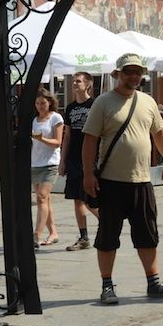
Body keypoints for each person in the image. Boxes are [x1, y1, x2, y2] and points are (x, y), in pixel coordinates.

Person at [83, 53, 163, 305]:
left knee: (147, 234)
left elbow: (160, 134)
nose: (134, 76)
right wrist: (87, 174)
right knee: (107, 236)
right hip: (111, 182)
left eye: (138, 72)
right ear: (118, 74)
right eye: (129, 71)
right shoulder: (103, 103)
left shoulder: (148, 102)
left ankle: (154, 283)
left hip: (142, 181)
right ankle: (107, 285)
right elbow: (90, 140)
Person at [60, 72, 97, 252]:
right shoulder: (70, 108)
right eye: (74, 81)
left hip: (91, 158)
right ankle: (83, 237)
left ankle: (108, 226)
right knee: (77, 199)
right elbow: (67, 136)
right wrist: (62, 160)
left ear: (88, 85)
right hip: (74, 159)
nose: (74, 83)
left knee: (90, 200)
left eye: (78, 81)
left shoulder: (96, 105)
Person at [31, 89, 64, 248]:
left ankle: (37, 234)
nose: (40, 106)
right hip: (35, 163)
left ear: (49, 102)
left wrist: (41, 138)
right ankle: (54, 233)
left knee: (42, 197)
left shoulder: (56, 118)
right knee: (46, 200)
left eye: (43, 103)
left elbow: (58, 142)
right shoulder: (34, 120)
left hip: (51, 163)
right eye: (37, 103)